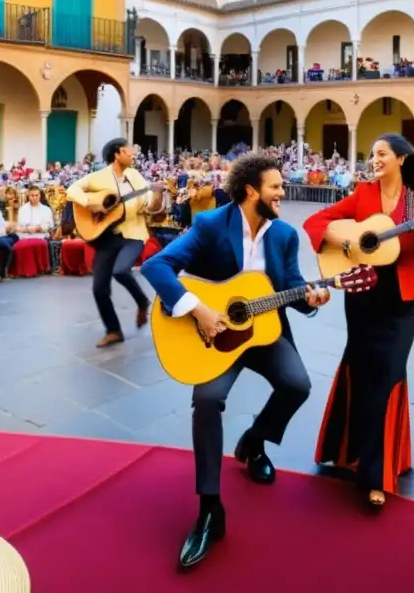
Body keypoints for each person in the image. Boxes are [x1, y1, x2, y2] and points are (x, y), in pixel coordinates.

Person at [140, 152, 329, 569]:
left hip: (264, 333)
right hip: (215, 334)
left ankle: (254, 442)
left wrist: (311, 298)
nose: (283, 193)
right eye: (276, 187)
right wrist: (199, 310)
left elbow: (293, 288)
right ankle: (210, 510)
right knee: (207, 401)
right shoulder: (211, 225)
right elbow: (156, 266)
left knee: (298, 385)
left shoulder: (284, 235)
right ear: (251, 191)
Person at [303, 134, 414, 508]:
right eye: (372, 154)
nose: (374, 159)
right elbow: (317, 221)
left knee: (387, 377)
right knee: (361, 369)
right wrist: (350, 243)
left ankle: (376, 474)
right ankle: (347, 449)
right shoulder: (364, 195)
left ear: (401, 158)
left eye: (381, 153)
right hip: (362, 295)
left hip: (402, 303)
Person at [66, 138, 164, 348]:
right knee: (99, 287)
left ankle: (142, 301)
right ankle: (113, 331)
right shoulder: (98, 178)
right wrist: (92, 204)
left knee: (120, 271)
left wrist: (156, 197)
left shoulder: (135, 177)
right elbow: (72, 190)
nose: (132, 154)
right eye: (128, 151)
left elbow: (149, 205)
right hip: (108, 237)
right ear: (117, 154)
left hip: (134, 234)